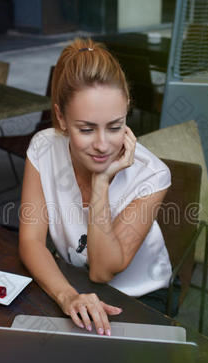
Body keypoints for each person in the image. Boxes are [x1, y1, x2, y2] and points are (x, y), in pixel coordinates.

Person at [19, 38, 172, 337]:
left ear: (127, 108)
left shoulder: (152, 174)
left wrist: (100, 181)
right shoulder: (43, 148)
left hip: (140, 298)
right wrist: (67, 295)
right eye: (87, 129)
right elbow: (30, 241)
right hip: (74, 284)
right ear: (61, 118)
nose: (103, 145)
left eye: (115, 126)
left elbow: (102, 271)